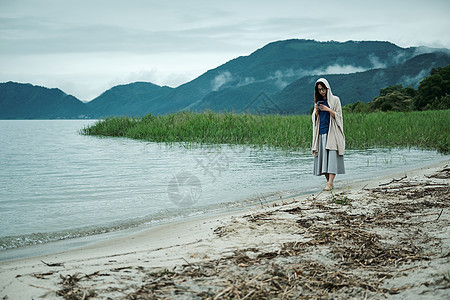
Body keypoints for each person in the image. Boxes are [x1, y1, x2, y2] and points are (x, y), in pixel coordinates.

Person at [311, 78, 345, 191]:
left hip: (332, 133)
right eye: (319, 90)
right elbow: (314, 119)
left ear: (327, 88)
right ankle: (329, 183)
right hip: (321, 133)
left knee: (332, 158)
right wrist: (316, 111)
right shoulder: (317, 102)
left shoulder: (335, 100)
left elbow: (339, 116)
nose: (322, 92)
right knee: (323, 159)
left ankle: (330, 183)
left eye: (323, 89)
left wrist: (328, 109)